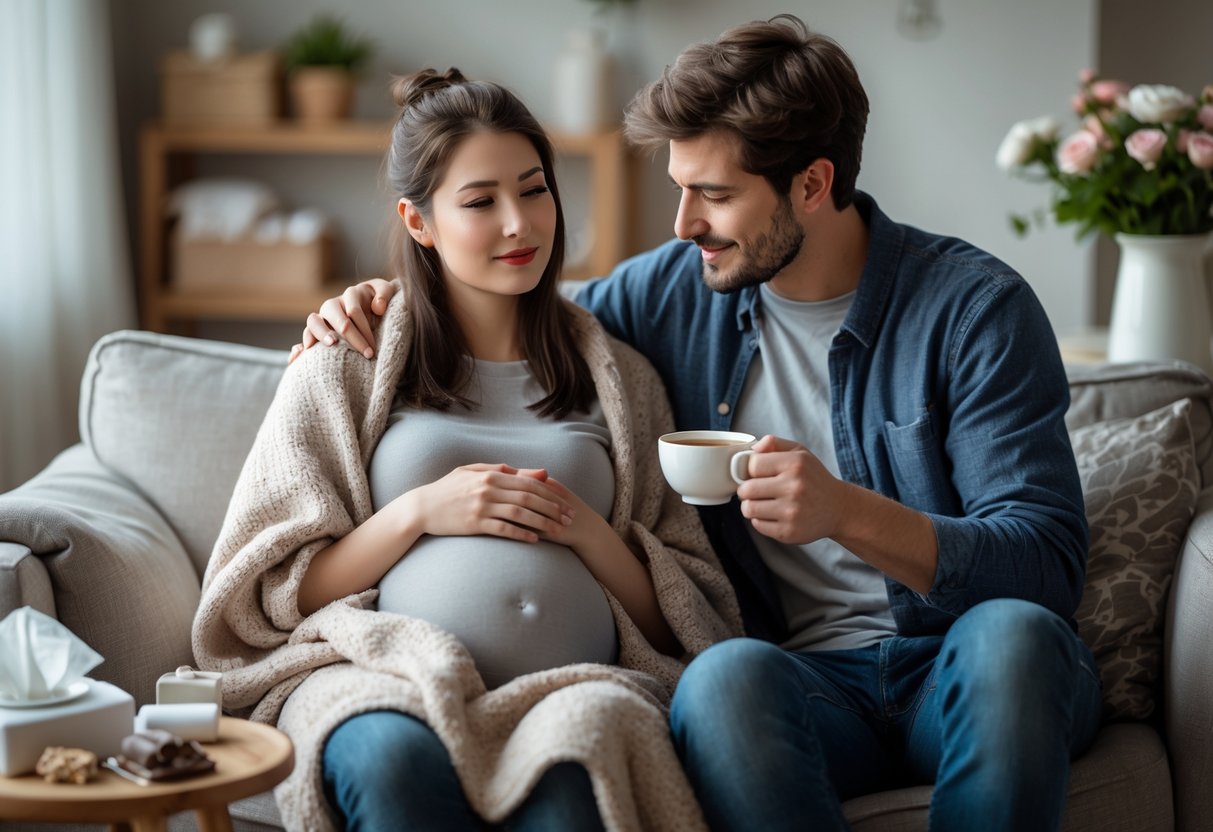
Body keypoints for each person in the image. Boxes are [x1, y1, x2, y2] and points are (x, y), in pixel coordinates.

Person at [292, 16, 1104, 832]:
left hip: (965, 667)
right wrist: (377, 300)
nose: (682, 225)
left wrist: (844, 512)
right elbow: (514, 314)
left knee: (1013, 636)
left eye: (713, 195)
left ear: (812, 185)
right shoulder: (668, 293)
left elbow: (1043, 564)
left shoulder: (973, 311)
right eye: (681, 188)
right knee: (722, 678)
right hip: (804, 684)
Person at [192, 68, 742, 832]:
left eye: (534, 189)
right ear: (419, 223)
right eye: (480, 202)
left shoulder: (621, 378)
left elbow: (678, 619)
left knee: (575, 778)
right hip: (383, 676)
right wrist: (422, 511)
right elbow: (268, 591)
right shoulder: (345, 359)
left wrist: (583, 528)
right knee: (391, 764)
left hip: (573, 685)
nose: (519, 224)